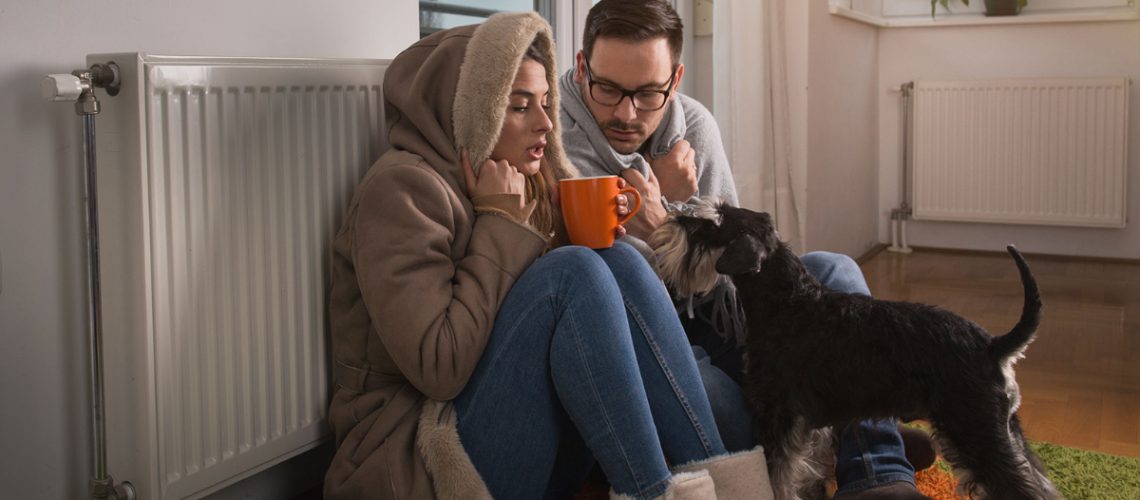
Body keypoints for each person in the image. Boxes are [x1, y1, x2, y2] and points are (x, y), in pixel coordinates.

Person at [323, 12, 774, 500]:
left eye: (545, 103)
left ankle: (730, 489)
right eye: (519, 106)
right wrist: (499, 225)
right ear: (470, 112)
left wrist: (621, 225)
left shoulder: (526, 181)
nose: (544, 122)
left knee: (614, 259)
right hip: (420, 457)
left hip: (515, 436)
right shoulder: (401, 191)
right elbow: (442, 368)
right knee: (573, 272)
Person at [559, 1, 935, 498]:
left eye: (649, 93)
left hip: (719, 315)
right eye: (607, 89)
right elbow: (606, 294)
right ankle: (833, 440)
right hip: (648, 340)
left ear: (675, 79)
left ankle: (875, 465)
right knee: (712, 395)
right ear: (584, 66)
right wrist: (664, 217)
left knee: (835, 273)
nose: (626, 113)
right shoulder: (556, 144)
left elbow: (738, 275)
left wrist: (668, 219)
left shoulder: (693, 125)